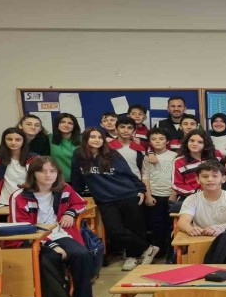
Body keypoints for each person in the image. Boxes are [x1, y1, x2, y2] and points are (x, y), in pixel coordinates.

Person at [10, 156, 110, 297]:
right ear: (33, 174)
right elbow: (22, 229)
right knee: (52, 258)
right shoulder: (19, 196)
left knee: (82, 254)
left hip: (59, 233)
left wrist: (70, 213)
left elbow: (80, 203)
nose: (48, 175)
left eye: (52, 171)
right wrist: (51, 245)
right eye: (42, 171)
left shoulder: (63, 188)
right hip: (33, 239)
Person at [71, 128, 158, 271]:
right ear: (85, 138)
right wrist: (75, 197)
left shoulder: (112, 154)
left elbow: (128, 174)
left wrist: (141, 189)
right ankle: (148, 248)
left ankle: (133, 257)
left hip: (127, 194)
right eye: (92, 137)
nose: (96, 140)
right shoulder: (79, 155)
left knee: (134, 228)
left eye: (100, 137)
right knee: (115, 231)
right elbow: (77, 178)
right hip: (104, 199)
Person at [177, 160, 226, 237]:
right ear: (197, 179)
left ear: (223, 179)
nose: (210, 179)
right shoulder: (191, 199)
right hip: (200, 238)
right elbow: (182, 222)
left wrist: (220, 228)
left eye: (215, 176)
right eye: (205, 176)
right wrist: (189, 228)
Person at [142, 127, 176, 261]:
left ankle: (172, 253)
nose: (157, 141)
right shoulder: (147, 157)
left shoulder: (174, 156)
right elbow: (145, 177)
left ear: (167, 141)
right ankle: (159, 252)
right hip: (155, 195)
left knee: (172, 225)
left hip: (171, 195)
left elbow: (177, 177)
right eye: (154, 139)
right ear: (149, 142)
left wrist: (174, 193)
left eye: (161, 139)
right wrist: (148, 195)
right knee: (157, 225)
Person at [171, 130, 222, 202]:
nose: (194, 144)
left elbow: (224, 173)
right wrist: (196, 192)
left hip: (216, 195)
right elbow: (176, 185)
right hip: (191, 198)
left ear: (206, 144)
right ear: (187, 142)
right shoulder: (179, 162)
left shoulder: (216, 155)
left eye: (200, 142)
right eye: (192, 141)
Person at [108, 115, 145, 180]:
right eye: (122, 127)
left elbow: (143, 170)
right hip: (114, 183)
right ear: (116, 130)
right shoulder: (108, 147)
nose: (126, 130)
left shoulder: (140, 148)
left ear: (134, 131)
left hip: (135, 183)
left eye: (129, 128)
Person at [48, 113, 81, 182]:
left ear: (74, 126)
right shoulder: (49, 139)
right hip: (57, 180)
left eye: (70, 123)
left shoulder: (82, 139)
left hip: (79, 179)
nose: (66, 125)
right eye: (62, 122)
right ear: (57, 124)